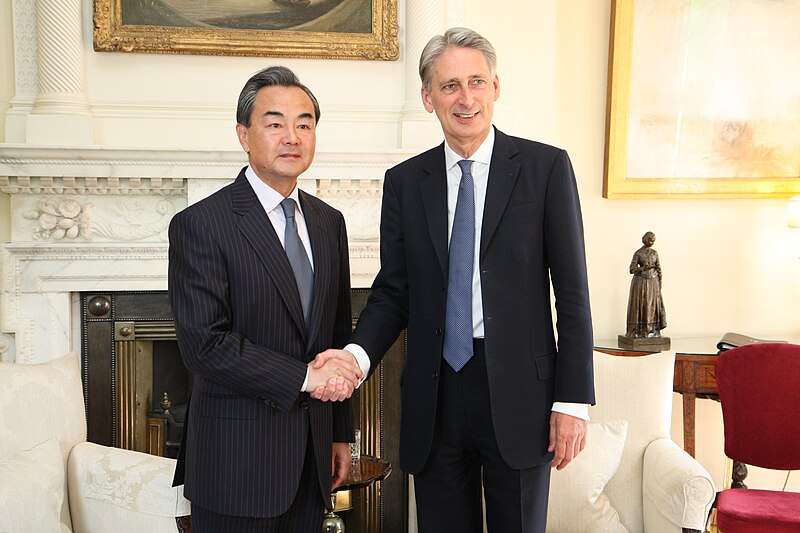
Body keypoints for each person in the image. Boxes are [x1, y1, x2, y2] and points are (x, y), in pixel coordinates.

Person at [313, 27, 595, 532]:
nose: (465, 99)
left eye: (476, 82)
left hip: (521, 397)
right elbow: (393, 292)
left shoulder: (545, 168)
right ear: (428, 98)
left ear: (495, 88)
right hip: (435, 394)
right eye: (449, 86)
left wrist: (573, 402)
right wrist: (354, 358)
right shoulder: (405, 182)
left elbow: (573, 298)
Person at [168, 66, 363, 533]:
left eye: (304, 123)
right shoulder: (202, 224)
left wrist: (340, 435)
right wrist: (305, 376)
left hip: (313, 459)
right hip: (236, 463)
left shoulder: (327, 222)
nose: (291, 136)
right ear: (244, 134)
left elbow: (336, 332)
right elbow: (204, 345)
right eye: (274, 123)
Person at [625, 231, 667, 338]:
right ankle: (639, 330)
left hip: (653, 282)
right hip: (641, 282)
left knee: (652, 305)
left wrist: (659, 283)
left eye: (653, 240)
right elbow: (632, 269)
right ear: (644, 240)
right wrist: (643, 268)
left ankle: (652, 330)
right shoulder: (638, 253)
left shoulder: (655, 253)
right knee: (642, 305)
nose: (651, 242)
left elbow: (659, 268)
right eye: (650, 240)